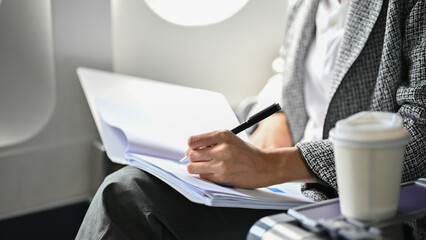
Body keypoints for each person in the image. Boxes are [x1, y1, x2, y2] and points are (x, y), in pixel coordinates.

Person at [76, 0, 426, 239]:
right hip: (287, 181)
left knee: (127, 196)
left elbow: (420, 129)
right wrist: (275, 118)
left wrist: (272, 166)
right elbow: (290, 69)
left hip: (351, 200)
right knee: (128, 178)